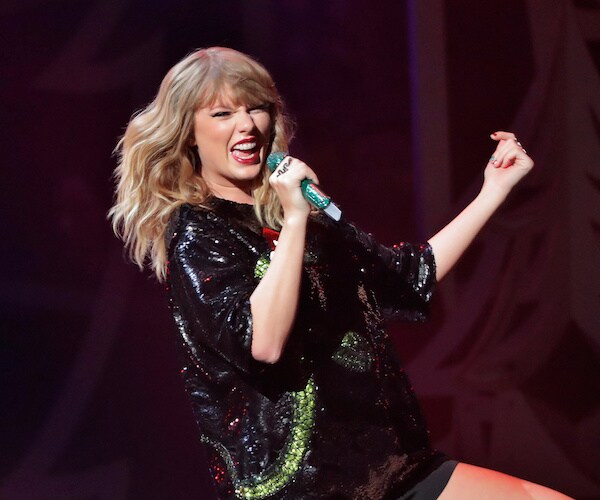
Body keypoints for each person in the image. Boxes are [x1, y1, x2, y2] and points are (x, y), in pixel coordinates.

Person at [109, 47, 571, 499]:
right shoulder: (198, 232)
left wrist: (494, 190)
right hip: (306, 486)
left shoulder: (299, 214)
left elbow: (408, 278)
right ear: (189, 132)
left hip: (392, 466)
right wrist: (294, 219)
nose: (247, 125)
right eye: (223, 114)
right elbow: (262, 343)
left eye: (256, 108)